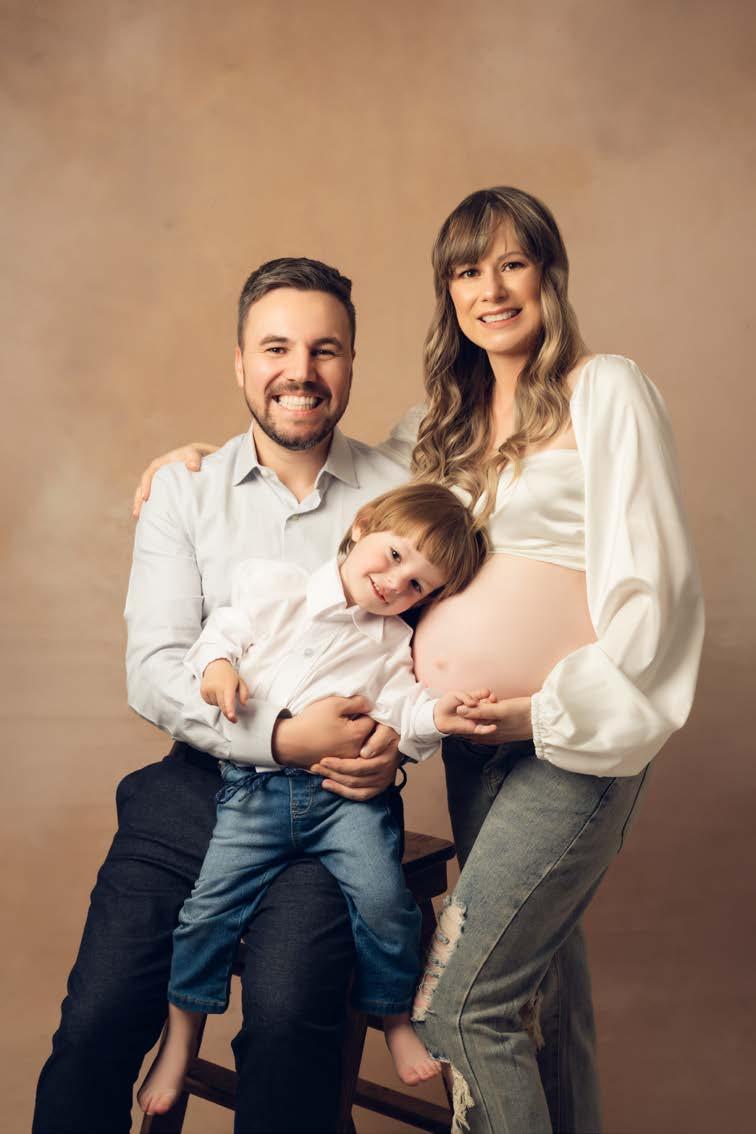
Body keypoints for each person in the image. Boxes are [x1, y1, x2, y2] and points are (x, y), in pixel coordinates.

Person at [137, 186, 704, 1134]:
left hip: (571, 736)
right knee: (541, 994)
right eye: (468, 271)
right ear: (449, 291)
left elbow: (661, 585)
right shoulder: (439, 424)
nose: (492, 290)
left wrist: (542, 711)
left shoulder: (605, 390)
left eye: (513, 263)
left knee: (464, 1007)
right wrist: (203, 462)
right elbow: (344, 488)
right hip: (475, 746)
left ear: (549, 274)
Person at [33, 258, 428, 1134]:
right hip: (192, 791)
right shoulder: (185, 491)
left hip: (334, 806)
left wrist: (397, 744)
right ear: (240, 362)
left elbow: (494, 408)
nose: (301, 371)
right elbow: (156, 667)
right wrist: (279, 737)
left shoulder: (405, 486)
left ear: (353, 361)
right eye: (276, 348)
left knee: (290, 1025)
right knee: (98, 1021)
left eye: (326, 349)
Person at [137, 481, 493, 1115]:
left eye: (417, 584)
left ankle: (394, 1016)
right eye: (394, 555)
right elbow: (219, 634)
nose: (395, 582)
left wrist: (437, 715)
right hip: (255, 792)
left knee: (385, 903)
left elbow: (405, 711)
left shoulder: (394, 644)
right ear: (362, 525)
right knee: (206, 913)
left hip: (343, 803)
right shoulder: (277, 589)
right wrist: (218, 668)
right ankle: (181, 1040)